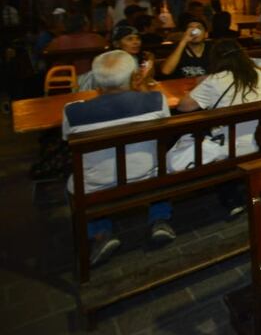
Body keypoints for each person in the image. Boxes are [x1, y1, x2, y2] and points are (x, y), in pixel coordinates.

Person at [63, 50, 176, 266]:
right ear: (133, 75)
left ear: (96, 78)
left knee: (73, 180)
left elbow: (66, 141)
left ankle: (100, 233)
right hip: (147, 177)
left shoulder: (72, 112)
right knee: (159, 164)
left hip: (96, 186)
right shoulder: (156, 101)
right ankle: (159, 219)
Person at [170, 40, 261, 213]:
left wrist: (201, 84)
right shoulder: (260, 74)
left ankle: (228, 196)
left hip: (229, 148)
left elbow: (184, 106)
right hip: (258, 142)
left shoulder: (216, 80)